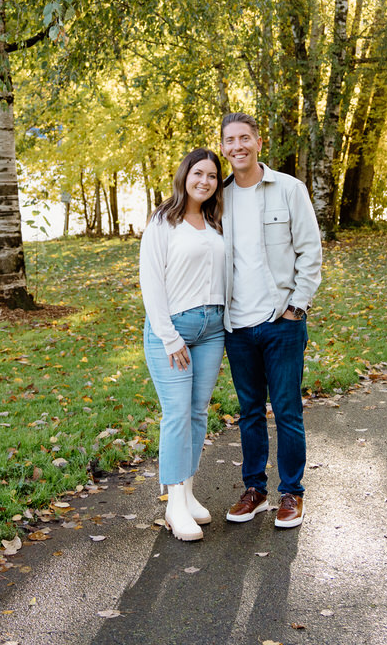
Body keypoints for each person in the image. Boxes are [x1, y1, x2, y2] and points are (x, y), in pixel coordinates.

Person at [219, 112, 322, 528]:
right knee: (248, 412)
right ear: (223, 146)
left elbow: (310, 251)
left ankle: (292, 493)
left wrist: (297, 307)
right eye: (230, 140)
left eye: (245, 138)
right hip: (236, 326)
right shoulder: (218, 197)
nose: (238, 146)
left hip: (281, 321)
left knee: (286, 410)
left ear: (258, 143)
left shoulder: (288, 189)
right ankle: (255, 490)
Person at [139, 148, 227, 541]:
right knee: (176, 413)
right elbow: (151, 281)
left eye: (212, 175)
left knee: (197, 413)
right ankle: (174, 505)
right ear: (184, 175)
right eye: (198, 174)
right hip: (173, 329)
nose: (205, 181)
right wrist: (169, 336)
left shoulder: (215, 223)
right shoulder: (163, 220)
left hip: (213, 329)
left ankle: (188, 494)